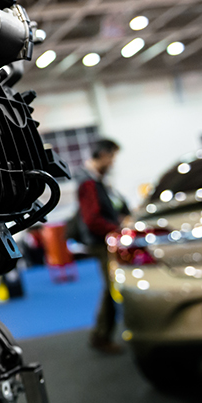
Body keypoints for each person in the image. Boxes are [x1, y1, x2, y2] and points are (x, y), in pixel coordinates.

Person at [74, 138, 130, 354]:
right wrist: (117, 228)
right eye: (113, 157)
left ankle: (101, 335)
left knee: (111, 289)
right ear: (104, 155)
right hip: (102, 242)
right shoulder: (88, 183)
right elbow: (93, 220)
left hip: (105, 240)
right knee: (111, 289)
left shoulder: (94, 181)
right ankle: (101, 336)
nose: (113, 162)